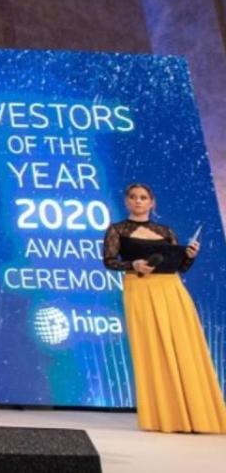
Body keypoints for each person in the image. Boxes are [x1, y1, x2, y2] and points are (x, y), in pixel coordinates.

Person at [102, 183, 226, 433]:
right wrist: (132, 264)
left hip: (172, 290)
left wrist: (189, 255)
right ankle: (166, 417)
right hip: (140, 290)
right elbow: (108, 261)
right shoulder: (117, 230)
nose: (138, 201)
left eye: (143, 197)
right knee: (152, 349)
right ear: (127, 201)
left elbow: (180, 267)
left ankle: (198, 415)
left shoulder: (165, 231)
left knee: (184, 347)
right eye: (133, 197)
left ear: (152, 202)